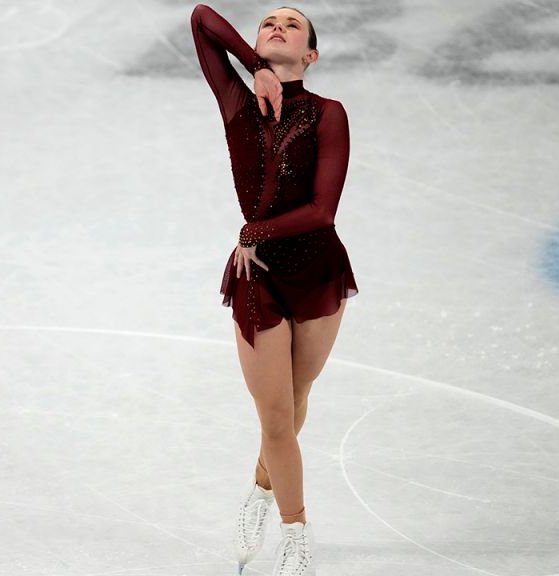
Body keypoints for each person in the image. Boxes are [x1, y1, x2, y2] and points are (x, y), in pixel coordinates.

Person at [190, 3, 359, 575]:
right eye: (268, 23)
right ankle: (295, 532)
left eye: (292, 25)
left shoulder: (328, 113)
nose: (277, 27)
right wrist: (251, 63)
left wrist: (254, 229)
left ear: (311, 55)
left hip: (315, 270)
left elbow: (323, 210)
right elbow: (201, 17)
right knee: (276, 419)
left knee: (296, 397)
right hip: (255, 279)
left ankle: (262, 489)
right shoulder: (238, 102)